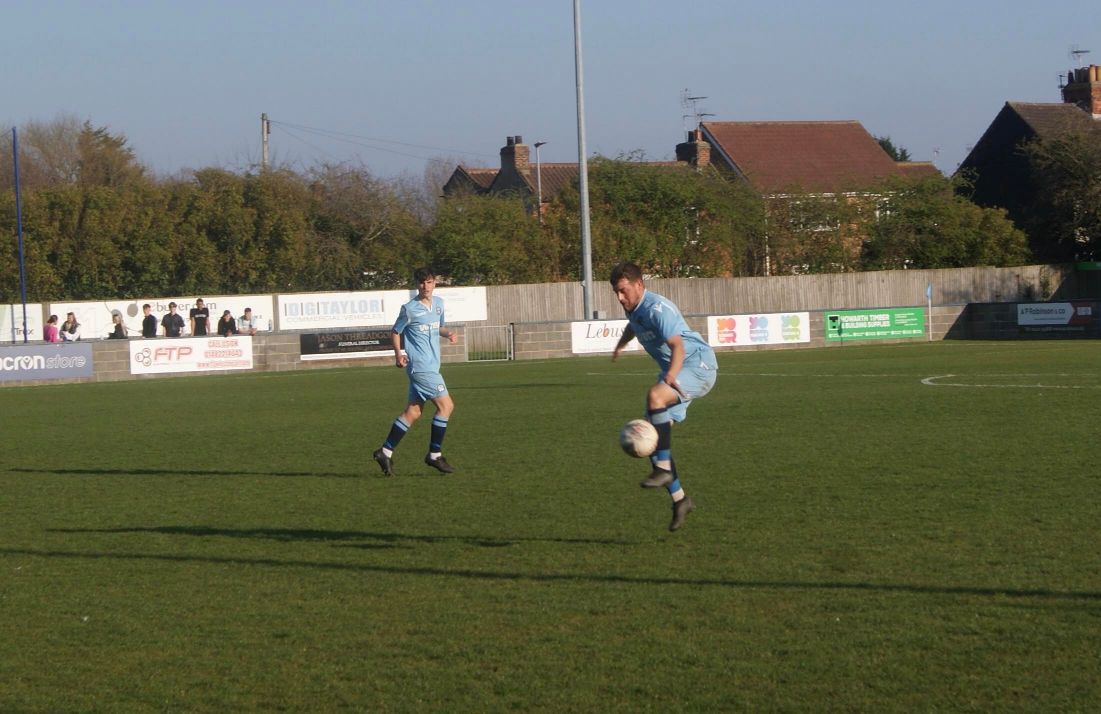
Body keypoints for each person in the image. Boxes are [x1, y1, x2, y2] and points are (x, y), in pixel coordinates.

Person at [610, 262, 718, 532]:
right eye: (616, 292)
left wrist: (670, 374)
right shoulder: (634, 309)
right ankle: (680, 500)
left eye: (623, 291)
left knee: (654, 396)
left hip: (698, 365)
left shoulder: (658, 308)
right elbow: (633, 326)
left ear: (639, 285)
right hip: (677, 372)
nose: (619, 298)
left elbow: (677, 346)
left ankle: (664, 469)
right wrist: (620, 345)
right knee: (652, 438)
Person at [373, 267, 459, 476]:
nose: (425, 286)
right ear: (416, 285)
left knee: (413, 412)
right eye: (421, 283)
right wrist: (398, 354)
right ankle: (434, 455)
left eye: (429, 282)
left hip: (431, 366)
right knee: (446, 406)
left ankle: (385, 452)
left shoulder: (439, 304)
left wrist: (448, 333)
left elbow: (438, 327)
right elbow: (396, 331)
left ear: (435, 282)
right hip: (421, 367)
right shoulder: (409, 309)